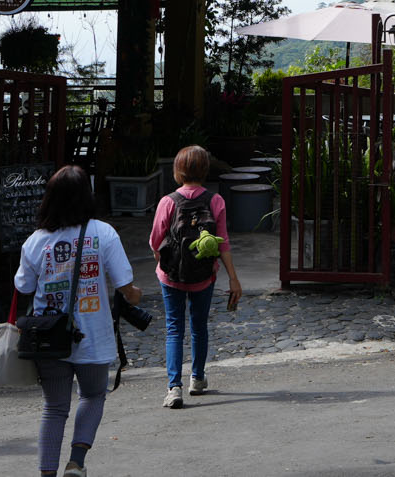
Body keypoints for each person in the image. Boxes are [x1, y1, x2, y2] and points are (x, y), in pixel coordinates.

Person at [15, 165, 142, 477]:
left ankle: (47, 474)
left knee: (55, 408)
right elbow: (126, 286)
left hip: (49, 336)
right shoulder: (103, 233)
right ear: (88, 195)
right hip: (93, 333)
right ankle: (76, 462)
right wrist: (134, 296)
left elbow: (24, 287)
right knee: (93, 395)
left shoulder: (35, 242)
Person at [149, 145, 243, 410]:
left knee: (174, 329)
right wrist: (233, 278)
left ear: (178, 170)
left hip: (172, 277)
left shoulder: (168, 201)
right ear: (205, 169)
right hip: (204, 276)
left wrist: (167, 265)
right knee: (199, 326)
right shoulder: (216, 201)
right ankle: (197, 378)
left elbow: (155, 242)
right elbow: (223, 242)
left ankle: (173, 387)